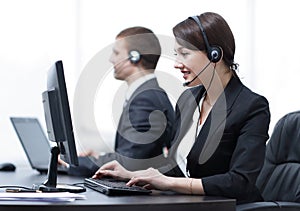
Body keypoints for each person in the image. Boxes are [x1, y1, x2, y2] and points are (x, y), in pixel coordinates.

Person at [92, 12, 270, 204]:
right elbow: (177, 166)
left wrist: (169, 183)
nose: (177, 64)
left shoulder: (251, 106)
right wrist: (130, 173)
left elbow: (240, 182)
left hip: (225, 207)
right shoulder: (188, 99)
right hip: (188, 203)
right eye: (177, 55)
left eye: (185, 54)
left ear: (214, 55)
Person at [61, 26, 175, 176]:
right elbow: (134, 152)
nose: (111, 59)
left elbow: (129, 162)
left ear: (134, 57)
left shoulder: (145, 99)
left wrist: (71, 162)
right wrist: (97, 157)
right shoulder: (148, 94)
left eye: (116, 53)